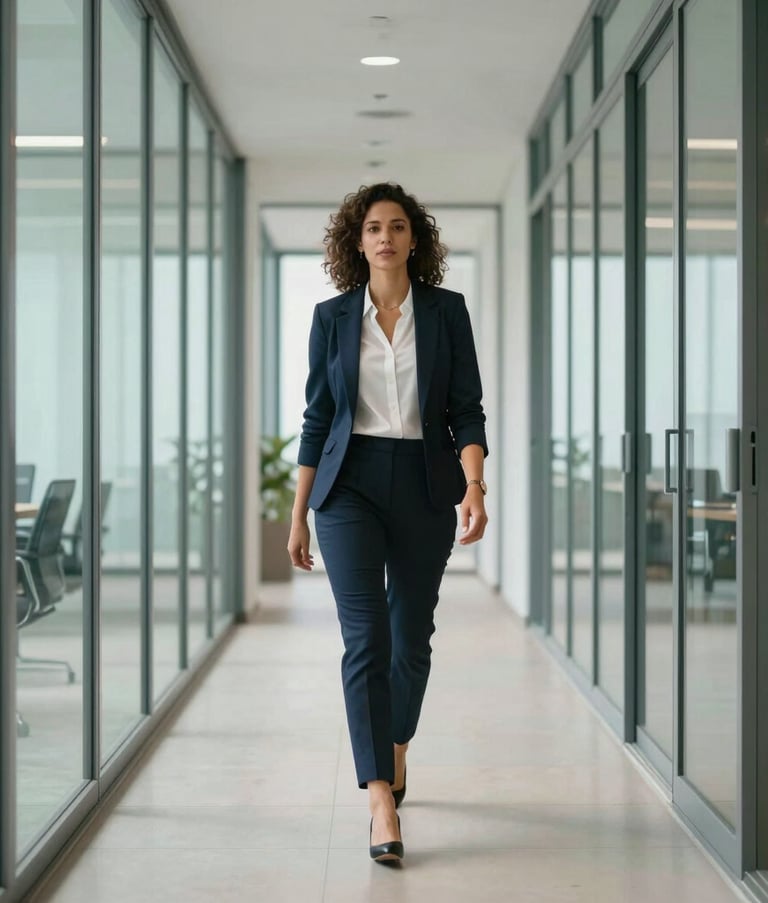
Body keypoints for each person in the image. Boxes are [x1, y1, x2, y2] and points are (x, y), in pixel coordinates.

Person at [287, 182, 488, 864]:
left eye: (398, 226)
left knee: (411, 636)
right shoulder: (332, 318)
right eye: (373, 226)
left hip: (428, 482)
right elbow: (318, 419)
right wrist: (298, 514)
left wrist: (475, 485)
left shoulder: (446, 312)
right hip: (349, 486)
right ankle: (379, 797)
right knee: (365, 635)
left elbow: (468, 408)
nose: (385, 236)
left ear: (414, 239)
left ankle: (396, 741)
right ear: (357, 240)